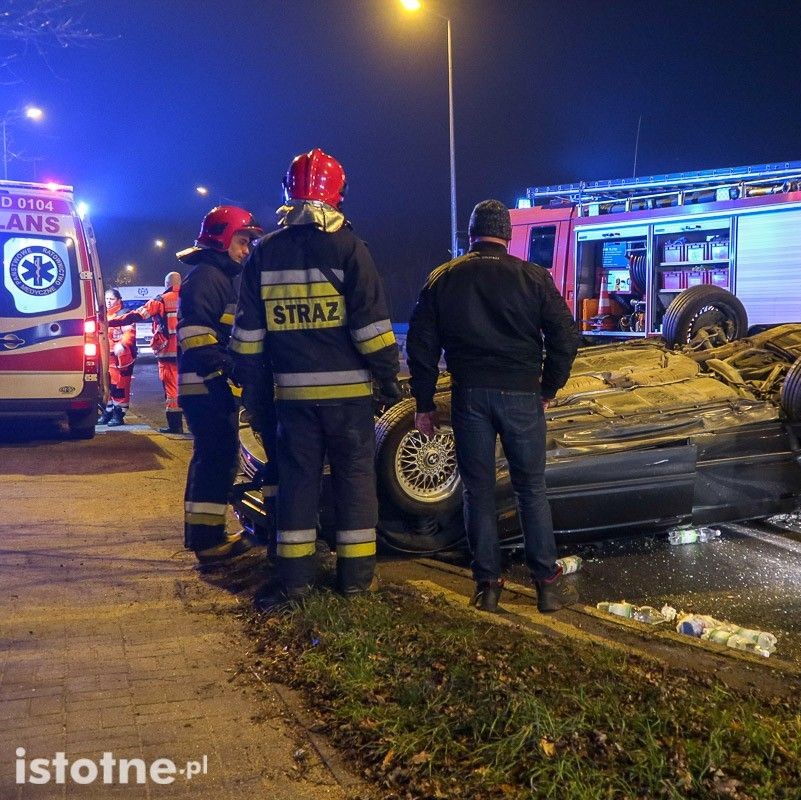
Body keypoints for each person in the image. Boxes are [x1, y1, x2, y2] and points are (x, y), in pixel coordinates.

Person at [231, 148, 402, 605]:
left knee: (297, 483)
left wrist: (254, 392)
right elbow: (371, 328)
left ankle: (296, 580)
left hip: (291, 400)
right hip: (348, 401)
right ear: (338, 194)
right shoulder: (350, 247)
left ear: (288, 192)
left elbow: (246, 340)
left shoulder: (263, 253)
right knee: (354, 482)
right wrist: (389, 378)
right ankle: (355, 580)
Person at [407, 199, 580, 614]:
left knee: (478, 492)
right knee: (531, 489)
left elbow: (421, 348)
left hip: (470, 398)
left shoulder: (443, 279)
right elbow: (565, 336)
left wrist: (425, 403)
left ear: (471, 236)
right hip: (522, 395)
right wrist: (549, 386)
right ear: (506, 235)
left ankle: (488, 585)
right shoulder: (534, 278)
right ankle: (546, 585)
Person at [176, 206, 264, 565]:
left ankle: (208, 536)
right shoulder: (208, 277)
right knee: (215, 459)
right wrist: (228, 369)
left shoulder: (216, 276)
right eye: (242, 242)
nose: (246, 250)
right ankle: (208, 543)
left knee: (216, 457)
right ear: (223, 238)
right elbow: (195, 335)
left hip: (208, 386)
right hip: (206, 387)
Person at [108, 272, 183, 433]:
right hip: (188, 351)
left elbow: (137, 315)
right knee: (189, 387)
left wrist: (110, 322)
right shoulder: (190, 297)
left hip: (168, 351)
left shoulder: (161, 300)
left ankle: (175, 426)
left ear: (166, 284)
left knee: (171, 389)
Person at [102, 288, 137, 427]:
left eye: (111, 299)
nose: (108, 302)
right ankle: (108, 412)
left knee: (119, 387)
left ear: (118, 300)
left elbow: (130, 333)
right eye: (106, 299)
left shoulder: (124, 314)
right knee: (108, 387)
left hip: (121, 358)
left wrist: (122, 344)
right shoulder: (104, 315)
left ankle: (119, 414)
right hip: (106, 357)